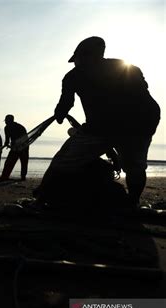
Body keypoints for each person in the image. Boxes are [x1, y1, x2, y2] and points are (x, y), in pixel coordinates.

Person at [37, 36, 160, 207]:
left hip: (131, 124)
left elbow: (66, 104)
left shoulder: (73, 76)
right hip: (140, 122)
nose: (75, 64)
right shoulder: (129, 68)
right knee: (135, 166)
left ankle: (44, 196)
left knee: (65, 161)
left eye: (77, 59)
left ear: (86, 56)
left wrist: (60, 114)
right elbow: (143, 93)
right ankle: (132, 203)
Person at [0, 115, 29, 181]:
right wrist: (6, 145)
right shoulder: (10, 128)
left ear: (10, 121)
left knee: (21, 161)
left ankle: (21, 176)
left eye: (6, 121)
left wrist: (8, 144)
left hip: (22, 147)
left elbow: (25, 138)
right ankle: (6, 176)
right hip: (18, 147)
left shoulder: (16, 127)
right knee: (12, 161)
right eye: (5, 121)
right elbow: (7, 140)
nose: (5, 122)